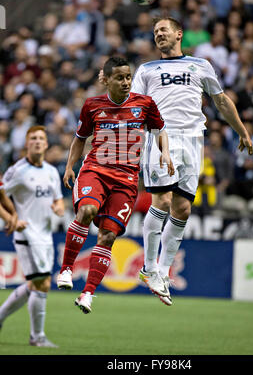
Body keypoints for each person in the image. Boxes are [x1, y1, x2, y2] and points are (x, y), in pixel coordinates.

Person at [130, 16, 253, 306]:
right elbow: (134, 105)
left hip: (193, 140)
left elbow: (221, 101)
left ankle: (162, 271)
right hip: (161, 136)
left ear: (179, 34)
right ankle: (148, 268)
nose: (159, 34)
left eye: (164, 30)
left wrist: (242, 130)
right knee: (161, 201)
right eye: (155, 31)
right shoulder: (146, 69)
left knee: (183, 208)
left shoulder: (200, 65)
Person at [56, 57, 174, 314]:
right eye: (119, 77)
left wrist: (165, 153)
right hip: (96, 170)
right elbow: (79, 139)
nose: (125, 82)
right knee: (86, 211)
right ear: (106, 79)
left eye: (128, 77)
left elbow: (160, 129)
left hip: (128, 179)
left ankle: (87, 293)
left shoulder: (144, 104)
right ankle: (66, 269)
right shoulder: (92, 105)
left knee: (108, 236)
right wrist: (68, 167)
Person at [0, 126, 65, 347]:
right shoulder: (17, 171)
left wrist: (58, 208)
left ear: (46, 144)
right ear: (27, 143)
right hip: (26, 233)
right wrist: (12, 219)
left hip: (45, 235)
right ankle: (36, 337)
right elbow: (1, 194)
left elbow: (57, 199)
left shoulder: (51, 171)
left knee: (33, 285)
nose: (37, 142)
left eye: (41, 139)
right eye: (33, 138)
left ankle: (0, 317)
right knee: (43, 283)